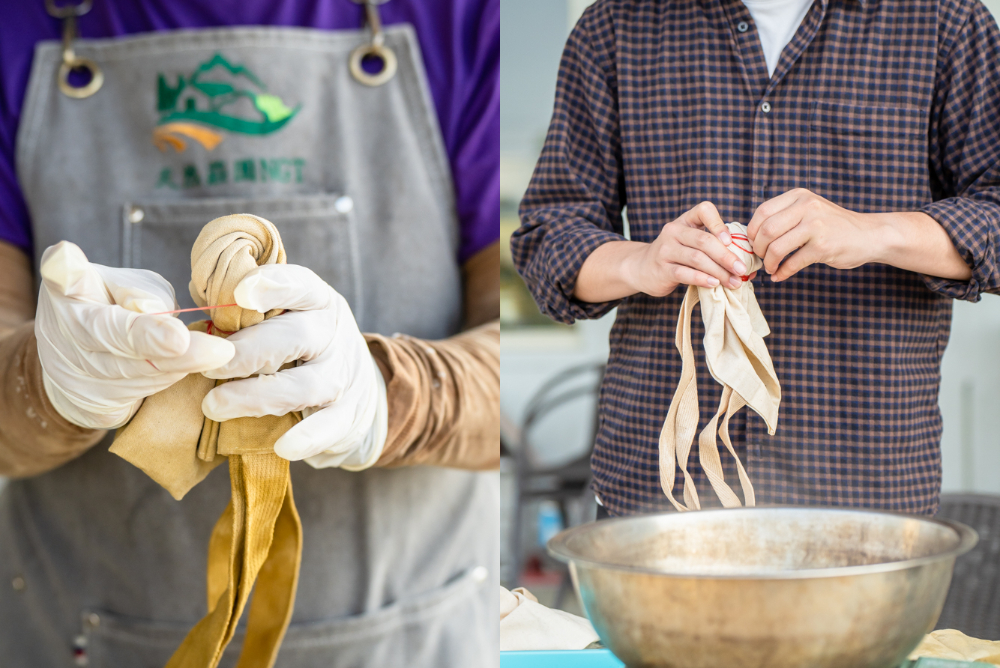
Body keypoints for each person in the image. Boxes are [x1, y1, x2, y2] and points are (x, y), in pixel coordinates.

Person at [0, 0, 499, 666]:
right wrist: (41, 382)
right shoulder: (16, 27)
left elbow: (512, 351)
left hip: (417, 636)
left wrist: (396, 394)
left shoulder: (463, 19)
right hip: (81, 638)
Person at [511, 0, 1000, 518]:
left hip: (862, 487)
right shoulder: (615, 26)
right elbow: (548, 239)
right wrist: (642, 263)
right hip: (662, 497)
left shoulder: (945, 22)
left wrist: (872, 231)